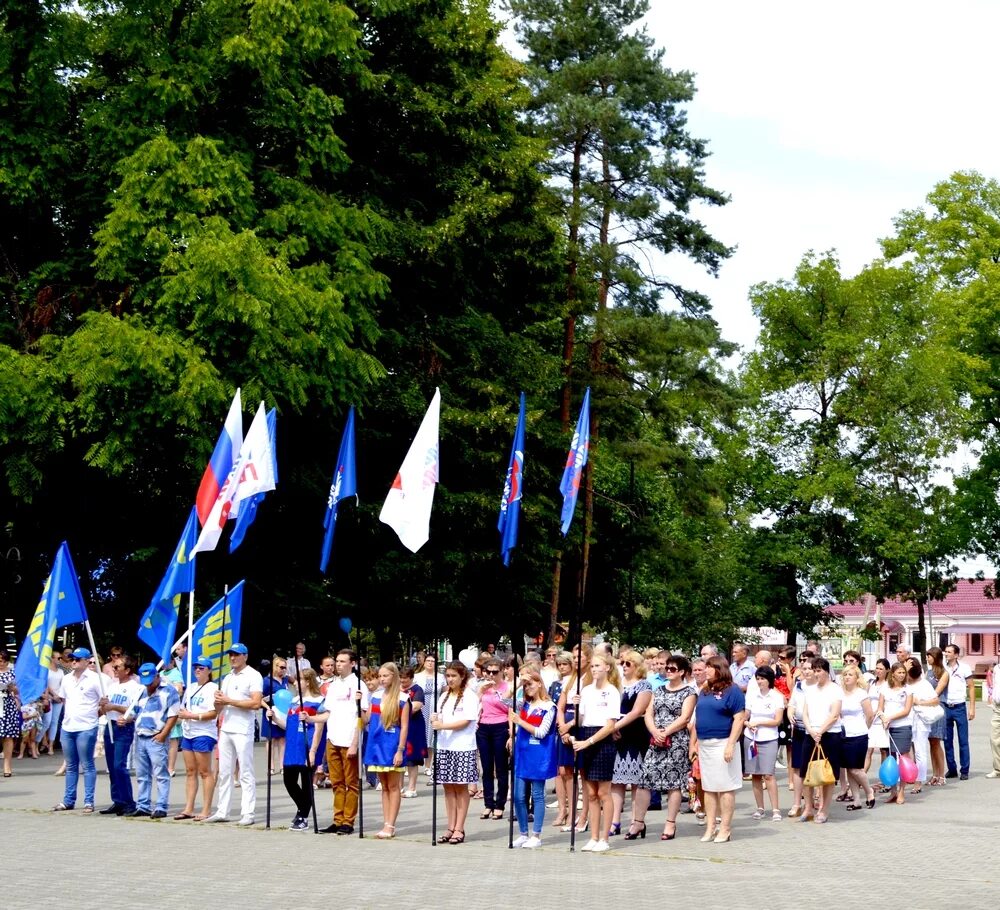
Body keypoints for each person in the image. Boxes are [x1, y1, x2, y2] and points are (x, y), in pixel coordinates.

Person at [308, 648, 369, 834]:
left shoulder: (359, 685)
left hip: (349, 739)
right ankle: (338, 818)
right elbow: (328, 712)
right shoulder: (333, 685)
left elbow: (365, 718)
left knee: (351, 782)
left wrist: (354, 743)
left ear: (352, 663)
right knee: (336, 782)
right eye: (337, 661)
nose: (338, 665)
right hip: (332, 739)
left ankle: (348, 821)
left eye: (342, 661)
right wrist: (310, 719)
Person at [638, 654, 697, 840]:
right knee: (645, 779)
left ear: (681, 672)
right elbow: (649, 713)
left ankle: (670, 823)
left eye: (672, 669)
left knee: (674, 783)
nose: (668, 672)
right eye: (667, 668)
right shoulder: (659, 690)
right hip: (656, 740)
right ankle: (638, 822)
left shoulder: (689, 692)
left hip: (676, 741)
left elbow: (685, 717)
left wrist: (666, 731)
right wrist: (655, 731)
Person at [206, 643, 263, 826]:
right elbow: (220, 706)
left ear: (245, 656)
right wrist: (217, 702)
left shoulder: (253, 675)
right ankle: (223, 810)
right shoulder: (228, 677)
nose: (232, 658)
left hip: (243, 728)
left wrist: (229, 700)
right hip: (226, 727)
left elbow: (255, 703)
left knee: (245, 772)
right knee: (224, 771)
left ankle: (248, 813)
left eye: (236, 655)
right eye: (231, 655)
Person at [571, 651, 620, 853]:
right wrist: (574, 709)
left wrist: (588, 742)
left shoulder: (613, 692)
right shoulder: (587, 690)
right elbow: (581, 720)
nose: (594, 670)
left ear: (607, 667)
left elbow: (610, 725)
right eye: (592, 667)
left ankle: (604, 837)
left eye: (598, 666)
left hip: (601, 739)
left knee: (603, 792)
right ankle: (593, 836)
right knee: (590, 793)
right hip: (586, 735)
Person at [692, 656, 745, 843]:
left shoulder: (733, 691)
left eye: (709, 667)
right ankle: (710, 826)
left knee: (725, 787)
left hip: (723, 742)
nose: (705, 670)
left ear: (719, 669)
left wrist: (731, 744)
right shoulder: (704, 690)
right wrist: (695, 743)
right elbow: (698, 717)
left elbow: (739, 719)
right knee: (709, 788)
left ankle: (725, 828)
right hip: (705, 743)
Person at [268, 667, 325, 830]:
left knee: (307, 782)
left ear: (308, 681)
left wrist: (313, 750)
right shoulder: (293, 701)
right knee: (289, 781)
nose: (296, 683)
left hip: (307, 745)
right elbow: (289, 726)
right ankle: (304, 807)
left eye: (299, 680)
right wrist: (275, 719)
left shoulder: (318, 700)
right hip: (292, 745)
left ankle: (303, 816)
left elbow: (319, 727)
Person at [508, 667, 557, 848]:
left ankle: (536, 834)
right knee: (519, 796)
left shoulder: (548, 707)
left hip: (538, 755)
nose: (527, 687)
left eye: (530, 683)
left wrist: (520, 722)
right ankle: (523, 833)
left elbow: (541, 732)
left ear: (539, 683)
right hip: (522, 753)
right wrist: (518, 684)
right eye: (525, 684)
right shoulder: (524, 704)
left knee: (537, 795)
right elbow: (505, 700)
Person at [432, 661, 479, 844]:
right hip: (445, 746)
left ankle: (460, 827)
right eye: (448, 676)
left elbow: (466, 721)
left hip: (462, 746)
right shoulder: (444, 695)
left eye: (454, 676)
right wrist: (435, 720)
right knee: (448, 787)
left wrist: (442, 725)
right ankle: (450, 826)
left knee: (460, 787)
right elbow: (440, 717)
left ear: (462, 677)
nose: (450, 679)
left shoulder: (469, 696)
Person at [53, 647, 103, 812]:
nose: (73, 661)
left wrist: (95, 715)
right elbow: (64, 700)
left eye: (77, 659)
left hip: (86, 726)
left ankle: (89, 801)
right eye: (72, 658)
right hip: (68, 726)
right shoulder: (67, 679)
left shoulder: (96, 679)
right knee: (71, 765)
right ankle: (68, 800)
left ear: (87, 661)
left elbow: (104, 701)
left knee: (87, 764)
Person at [609, 649, 652, 837]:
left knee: (636, 781)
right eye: (622, 663)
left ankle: (636, 821)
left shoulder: (644, 686)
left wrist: (614, 726)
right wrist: (610, 727)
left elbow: (636, 711)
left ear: (637, 666)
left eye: (628, 663)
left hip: (635, 733)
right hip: (615, 733)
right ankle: (614, 821)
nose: (624, 666)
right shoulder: (615, 684)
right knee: (616, 781)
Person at [364, 662, 410, 838]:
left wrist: (400, 750)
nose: (382, 679)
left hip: (392, 746)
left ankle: (391, 825)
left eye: (386, 676)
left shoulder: (403, 698)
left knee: (393, 786)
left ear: (394, 676)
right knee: (384, 787)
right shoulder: (375, 696)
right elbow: (367, 719)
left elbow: (404, 727)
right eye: (380, 676)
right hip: (376, 746)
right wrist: (358, 704)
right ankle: (386, 823)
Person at [128, 663, 180, 818]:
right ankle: (143, 805)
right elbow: (135, 711)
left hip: (156, 736)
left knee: (161, 774)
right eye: (146, 682)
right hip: (140, 735)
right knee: (142, 774)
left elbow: (173, 715)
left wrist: (163, 734)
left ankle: (161, 806)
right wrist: (127, 719)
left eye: (151, 681)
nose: (148, 685)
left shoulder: (169, 691)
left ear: (158, 677)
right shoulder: (140, 691)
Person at [97, 654, 143, 815]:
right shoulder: (111, 685)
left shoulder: (135, 687)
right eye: (113, 667)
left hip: (123, 728)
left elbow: (134, 710)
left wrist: (113, 707)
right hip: (109, 726)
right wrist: (103, 706)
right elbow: (103, 710)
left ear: (128, 670)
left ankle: (129, 801)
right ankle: (118, 800)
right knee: (111, 766)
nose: (114, 670)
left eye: (118, 667)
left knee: (119, 765)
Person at [175, 655, 219, 820]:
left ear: (209, 670)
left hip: (204, 732)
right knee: (190, 770)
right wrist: (183, 715)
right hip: (188, 732)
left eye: (201, 668)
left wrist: (192, 716)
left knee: (205, 771)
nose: (197, 671)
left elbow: (213, 713)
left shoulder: (213, 688)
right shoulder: (191, 687)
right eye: (196, 668)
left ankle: (206, 809)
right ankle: (188, 807)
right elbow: (183, 708)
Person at [800, 657, 843, 823]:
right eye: (814, 670)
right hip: (810, 733)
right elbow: (804, 713)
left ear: (826, 671)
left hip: (830, 734)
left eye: (819, 670)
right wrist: (811, 730)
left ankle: (824, 809)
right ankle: (808, 807)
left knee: (827, 774)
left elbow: (834, 714)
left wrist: (820, 731)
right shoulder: (809, 690)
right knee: (806, 771)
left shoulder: (835, 690)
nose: (816, 674)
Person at [556, 643, 592, 832]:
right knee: (565, 771)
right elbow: (561, 705)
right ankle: (571, 813)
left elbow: (587, 709)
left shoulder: (590, 678)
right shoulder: (570, 679)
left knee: (583, 772)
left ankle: (584, 815)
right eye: (575, 657)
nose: (576, 661)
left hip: (580, 724)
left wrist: (569, 727)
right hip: (566, 722)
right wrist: (562, 726)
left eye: (580, 657)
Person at [744, 666, 784, 821]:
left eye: (762, 679)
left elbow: (777, 720)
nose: (760, 682)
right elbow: (746, 715)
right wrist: (748, 724)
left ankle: (775, 809)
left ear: (769, 680)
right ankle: (760, 807)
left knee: (768, 774)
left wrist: (760, 722)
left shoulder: (776, 697)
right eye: (758, 679)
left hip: (769, 739)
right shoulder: (752, 695)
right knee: (755, 774)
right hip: (751, 738)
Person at [476, 658, 512, 820]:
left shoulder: (508, 687)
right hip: (483, 727)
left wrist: (502, 695)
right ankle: (488, 803)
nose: (491, 675)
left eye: (494, 672)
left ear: (502, 671)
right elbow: (474, 707)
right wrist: (480, 692)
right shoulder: (482, 687)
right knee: (486, 768)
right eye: (488, 672)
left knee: (501, 768)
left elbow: (509, 708)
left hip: (501, 726)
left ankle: (500, 804)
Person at [837, 665, 875, 811]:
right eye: (845, 674)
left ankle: (869, 790)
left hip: (859, 734)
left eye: (850, 675)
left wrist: (864, 728)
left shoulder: (861, 693)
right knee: (848, 768)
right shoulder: (840, 693)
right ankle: (857, 800)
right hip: (843, 733)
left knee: (856, 769)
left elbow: (869, 715)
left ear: (857, 677)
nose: (847, 677)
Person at [877, 662, 913, 805]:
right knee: (890, 758)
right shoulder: (885, 688)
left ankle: (902, 791)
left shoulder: (908, 689)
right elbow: (880, 708)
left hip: (903, 726)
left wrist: (890, 718)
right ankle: (893, 790)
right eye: (899, 672)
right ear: (892, 673)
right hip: (888, 728)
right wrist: (883, 718)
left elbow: (906, 710)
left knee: (903, 758)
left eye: (903, 672)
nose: (902, 675)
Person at [547, 651, 574, 828]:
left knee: (568, 771)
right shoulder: (555, 684)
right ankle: (562, 809)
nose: (562, 667)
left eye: (565, 663)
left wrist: (566, 727)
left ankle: (572, 811)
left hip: (570, 725)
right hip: (556, 726)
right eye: (559, 664)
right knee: (558, 770)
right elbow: (551, 705)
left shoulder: (576, 682)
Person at [941, 643, 975, 780]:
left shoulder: (964, 668)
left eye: (949, 652)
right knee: (947, 740)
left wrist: (972, 707)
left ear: (956, 654)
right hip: (946, 707)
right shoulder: (942, 667)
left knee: (963, 740)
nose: (946, 654)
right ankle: (952, 769)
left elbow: (971, 687)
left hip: (959, 707)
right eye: (945, 652)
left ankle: (965, 770)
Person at [906, 658, 939, 794]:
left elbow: (935, 700)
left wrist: (919, 702)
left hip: (919, 720)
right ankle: (907, 776)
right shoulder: (904, 684)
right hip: (905, 720)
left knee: (920, 751)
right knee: (905, 751)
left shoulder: (924, 684)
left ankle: (919, 780)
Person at [415, 653, 445, 777]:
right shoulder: (417, 676)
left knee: (431, 737)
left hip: (434, 707)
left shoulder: (440, 677)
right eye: (428, 660)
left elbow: (444, 693)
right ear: (424, 662)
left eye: (433, 661)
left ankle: (428, 765)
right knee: (417, 735)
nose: (430, 663)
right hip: (420, 708)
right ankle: (412, 764)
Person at [399, 665, 427, 797]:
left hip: (414, 726)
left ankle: (412, 788)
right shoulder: (396, 689)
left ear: (411, 678)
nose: (402, 681)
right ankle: (399, 787)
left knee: (412, 758)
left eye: (405, 679)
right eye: (401, 678)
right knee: (398, 758)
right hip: (398, 726)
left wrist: (398, 710)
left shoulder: (417, 690)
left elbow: (415, 707)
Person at [924, 646, 950, 785]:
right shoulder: (927, 672)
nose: (927, 658)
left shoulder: (944, 673)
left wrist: (923, 701)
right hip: (928, 708)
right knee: (931, 742)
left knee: (937, 741)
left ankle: (941, 775)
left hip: (938, 708)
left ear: (936, 657)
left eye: (929, 656)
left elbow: (937, 692)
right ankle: (934, 774)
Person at [261, 656, 289, 773]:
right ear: (275, 667)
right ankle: (271, 766)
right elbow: (260, 698)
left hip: (282, 712)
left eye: (285, 668)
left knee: (282, 739)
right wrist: (268, 708)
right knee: (271, 740)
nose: (283, 670)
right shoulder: (267, 681)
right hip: (270, 711)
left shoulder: (286, 680)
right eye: (282, 667)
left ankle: (282, 765)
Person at [0, 649, 21, 777]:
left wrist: (13, 688)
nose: (1, 663)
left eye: (3, 661)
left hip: (7, 704)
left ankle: (7, 765)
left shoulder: (13, 673)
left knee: (8, 736)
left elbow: (18, 690)